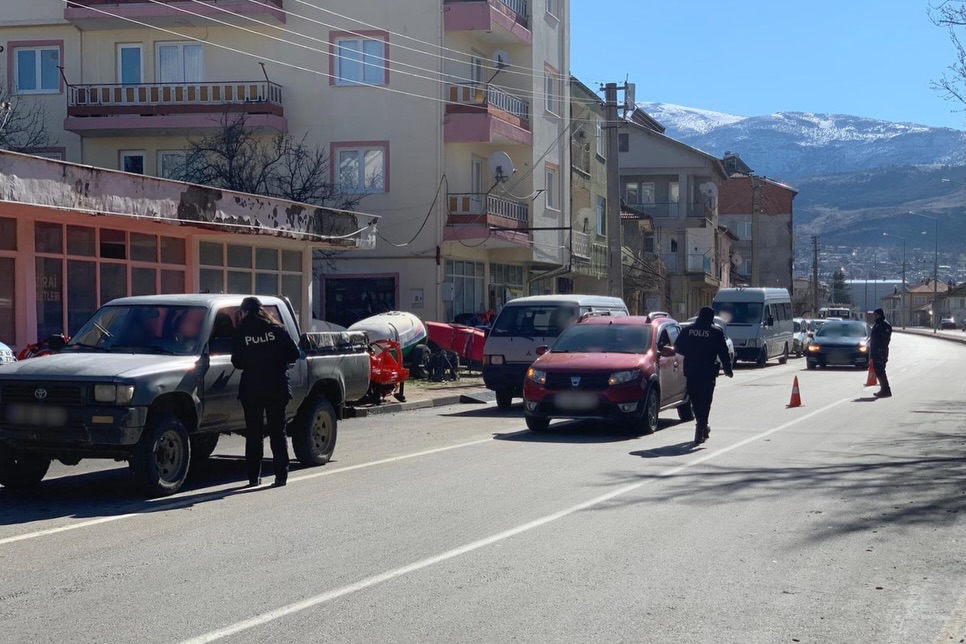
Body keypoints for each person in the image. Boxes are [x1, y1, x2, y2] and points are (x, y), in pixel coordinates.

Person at [231, 297, 301, 487]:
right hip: (277, 387)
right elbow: (295, 353)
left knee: (254, 433)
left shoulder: (241, 332)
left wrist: (253, 362)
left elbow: (236, 361)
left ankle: (253, 478)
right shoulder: (277, 329)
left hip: (252, 388)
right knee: (278, 432)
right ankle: (281, 477)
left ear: (245, 312)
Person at [674, 306, 734, 445]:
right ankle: (702, 425)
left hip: (692, 371)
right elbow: (723, 352)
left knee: (695, 400)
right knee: (706, 401)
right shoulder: (715, 332)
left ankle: (701, 425)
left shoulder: (688, 330)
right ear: (711, 318)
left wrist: (691, 354)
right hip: (708, 372)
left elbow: (678, 347)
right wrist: (728, 369)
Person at [869, 308, 893, 398]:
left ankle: (886, 390)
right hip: (875, 351)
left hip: (881, 352)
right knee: (878, 371)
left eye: (875, 315)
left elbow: (884, 340)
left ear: (879, 315)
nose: (874, 316)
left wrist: (879, 351)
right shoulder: (877, 325)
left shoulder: (885, 325)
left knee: (881, 371)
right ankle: (884, 389)